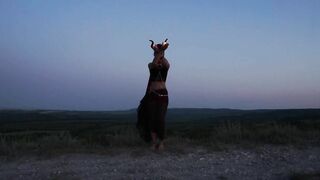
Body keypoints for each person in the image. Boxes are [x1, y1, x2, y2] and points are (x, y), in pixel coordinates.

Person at [137, 39, 170, 150]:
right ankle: (154, 142)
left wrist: (162, 51)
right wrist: (158, 51)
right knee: (151, 118)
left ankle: (161, 142)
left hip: (163, 95)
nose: (159, 55)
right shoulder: (150, 64)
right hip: (152, 94)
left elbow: (166, 63)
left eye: (161, 53)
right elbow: (155, 64)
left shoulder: (165, 65)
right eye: (157, 53)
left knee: (160, 119)